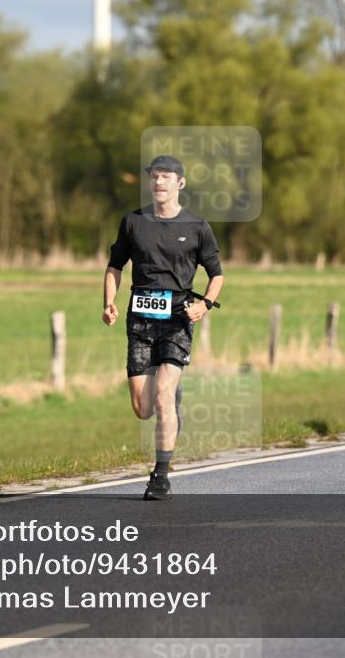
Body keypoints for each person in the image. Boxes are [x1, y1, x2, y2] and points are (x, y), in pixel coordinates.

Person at [103, 155, 225, 499]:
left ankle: (160, 476)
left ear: (180, 184)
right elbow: (114, 267)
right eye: (155, 177)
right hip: (139, 318)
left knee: (163, 395)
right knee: (143, 409)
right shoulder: (132, 222)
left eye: (166, 177)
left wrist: (204, 305)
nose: (159, 183)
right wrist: (108, 302)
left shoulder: (197, 227)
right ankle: (170, 398)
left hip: (177, 320)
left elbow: (217, 275)